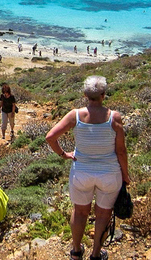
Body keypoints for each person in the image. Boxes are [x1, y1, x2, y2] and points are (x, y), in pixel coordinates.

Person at [45, 76, 130, 260]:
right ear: (103, 95)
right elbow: (121, 151)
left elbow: (50, 137)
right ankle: (96, 254)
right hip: (109, 173)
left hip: (81, 172)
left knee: (80, 211)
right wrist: (126, 175)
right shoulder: (114, 117)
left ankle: (76, 251)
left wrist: (63, 154)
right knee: (103, 214)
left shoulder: (75, 115)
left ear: (85, 95)